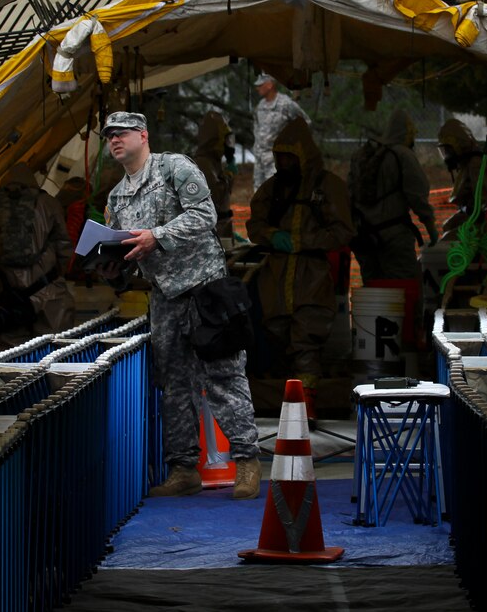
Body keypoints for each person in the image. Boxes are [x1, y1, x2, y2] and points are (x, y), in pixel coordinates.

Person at [99, 111, 261, 500]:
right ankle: (184, 468)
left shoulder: (174, 168)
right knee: (173, 385)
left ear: (143, 134)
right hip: (165, 297)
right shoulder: (116, 197)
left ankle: (248, 461)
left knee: (222, 376)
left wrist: (158, 235)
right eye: (108, 137)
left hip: (205, 291)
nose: (114, 141)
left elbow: (205, 216)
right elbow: (123, 247)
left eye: (121, 133)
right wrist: (105, 262)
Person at [247, 118, 353, 416]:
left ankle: (305, 409)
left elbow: (343, 230)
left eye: (288, 156)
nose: (283, 163)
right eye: (279, 157)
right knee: (277, 338)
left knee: (306, 341)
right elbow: (255, 224)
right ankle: (286, 405)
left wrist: (303, 241)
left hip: (312, 277)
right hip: (275, 278)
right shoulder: (273, 189)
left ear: (303, 155)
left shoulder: (328, 186)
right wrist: (272, 236)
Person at [0, 162, 76, 355]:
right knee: (55, 354)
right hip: (49, 294)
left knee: (9, 359)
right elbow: (64, 248)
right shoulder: (49, 203)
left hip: (6, 295)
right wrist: (56, 273)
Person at [348, 109, 438, 283]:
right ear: (407, 133)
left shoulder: (361, 155)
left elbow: (349, 193)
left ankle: (374, 312)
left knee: (373, 290)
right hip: (394, 238)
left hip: (364, 238)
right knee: (402, 289)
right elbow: (417, 194)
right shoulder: (402, 155)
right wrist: (430, 227)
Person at [436, 118, 487, 241]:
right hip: (475, 217)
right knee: (448, 226)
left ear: (458, 146)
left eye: (448, 150)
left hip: (485, 223)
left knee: (446, 241)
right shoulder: (469, 163)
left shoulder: (475, 164)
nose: (447, 155)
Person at [252, 73, 309, 190]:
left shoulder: (286, 104)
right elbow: (256, 126)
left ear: (269, 85)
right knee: (259, 193)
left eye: (260, 85)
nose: (257, 88)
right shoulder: (260, 106)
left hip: (277, 160)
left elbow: (305, 123)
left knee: (276, 192)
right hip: (260, 159)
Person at [192, 111, 238, 241]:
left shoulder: (213, 162)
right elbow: (216, 197)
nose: (228, 144)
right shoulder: (203, 164)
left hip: (220, 230)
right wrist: (230, 175)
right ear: (216, 139)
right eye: (225, 139)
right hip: (211, 235)